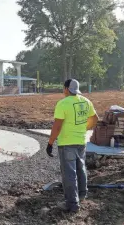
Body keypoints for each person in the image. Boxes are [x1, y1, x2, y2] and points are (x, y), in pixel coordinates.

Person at [46, 79, 99, 213]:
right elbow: (95, 118)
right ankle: (82, 194)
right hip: (81, 141)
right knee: (81, 168)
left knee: (69, 174)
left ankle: (72, 204)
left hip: (67, 143)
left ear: (65, 89)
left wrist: (50, 143)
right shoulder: (86, 101)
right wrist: (84, 128)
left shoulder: (63, 103)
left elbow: (57, 126)